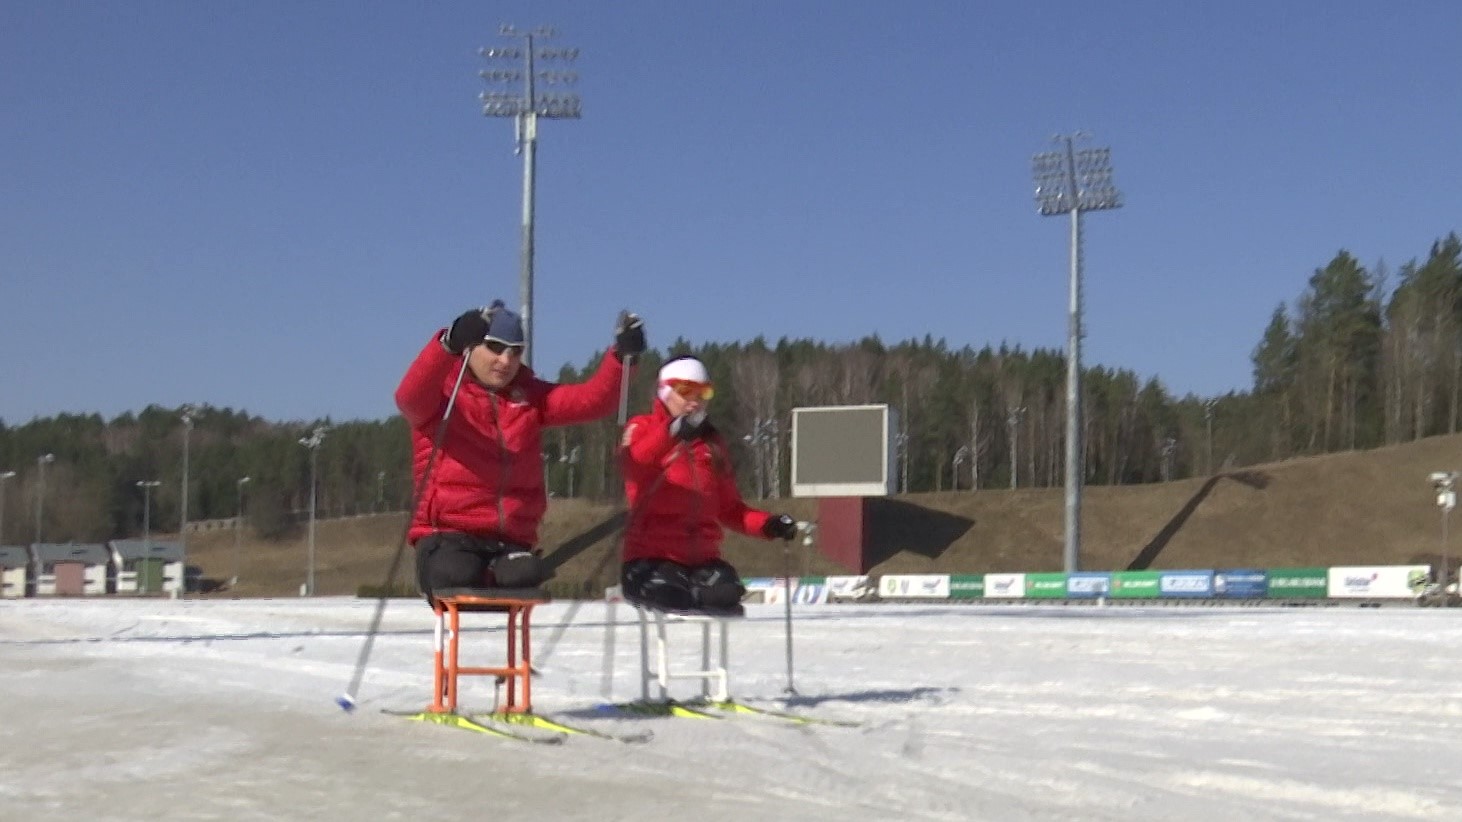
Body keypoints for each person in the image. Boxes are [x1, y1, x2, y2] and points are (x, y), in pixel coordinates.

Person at [395, 300, 645, 600]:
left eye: (515, 351)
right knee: (457, 574)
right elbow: (409, 397)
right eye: (495, 348)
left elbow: (594, 400)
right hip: (448, 537)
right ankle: (478, 575)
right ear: (471, 346)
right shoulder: (443, 395)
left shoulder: (529, 397)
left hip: (508, 542)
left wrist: (622, 359)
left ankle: (498, 572)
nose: (505, 360)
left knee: (524, 576)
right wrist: (447, 344)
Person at [618, 355, 799, 615]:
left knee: (726, 598)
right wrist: (671, 433)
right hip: (652, 555)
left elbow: (729, 508)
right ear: (664, 391)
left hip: (701, 559)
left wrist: (768, 525)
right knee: (670, 598)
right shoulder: (642, 427)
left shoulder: (712, 443)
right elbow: (633, 464)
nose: (695, 400)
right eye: (685, 391)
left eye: (704, 392)